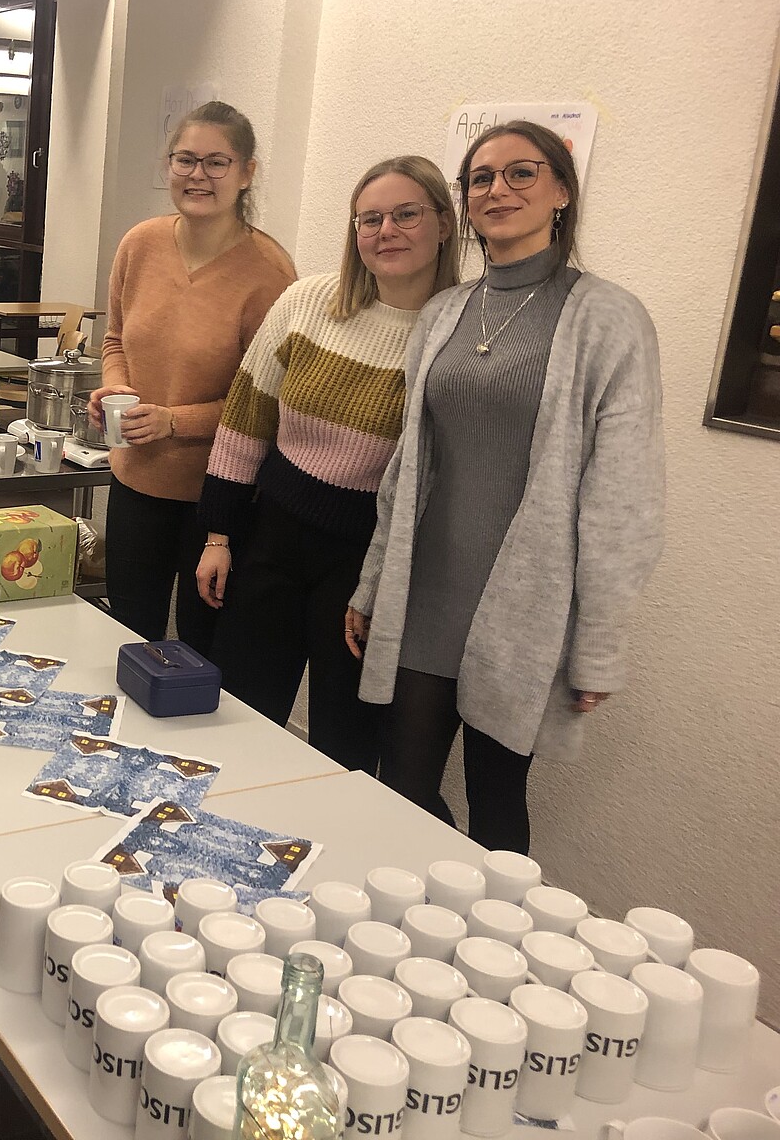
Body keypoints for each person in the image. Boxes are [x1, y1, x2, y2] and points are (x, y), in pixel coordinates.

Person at [346, 121, 665, 853]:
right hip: (426, 593)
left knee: (496, 800)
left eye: (522, 173)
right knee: (402, 789)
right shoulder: (445, 312)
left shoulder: (608, 318)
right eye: (481, 178)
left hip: (526, 607)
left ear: (562, 192)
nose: (499, 190)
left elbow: (625, 498)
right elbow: (406, 473)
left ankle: (490, 923)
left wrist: (600, 643)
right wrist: (373, 584)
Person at [196, 157, 460, 774]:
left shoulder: (455, 333)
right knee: (238, 716)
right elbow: (245, 420)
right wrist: (218, 535)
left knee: (347, 742)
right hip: (272, 538)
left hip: (367, 563)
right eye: (370, 219)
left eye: (406, 214)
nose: (386, 231)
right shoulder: (308, 302)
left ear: (445, 225)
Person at [88, 100, 296, 650]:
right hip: (135, 479)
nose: (198, 175)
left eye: (216, 162)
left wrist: (174, 421)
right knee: (127, 635)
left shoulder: (269, 274)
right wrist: (114, 385)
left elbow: (267, 403)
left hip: (219, 498)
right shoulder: (140, 244)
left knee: (201, 649)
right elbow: (115, 339)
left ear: (246, 172)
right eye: (185, 160)